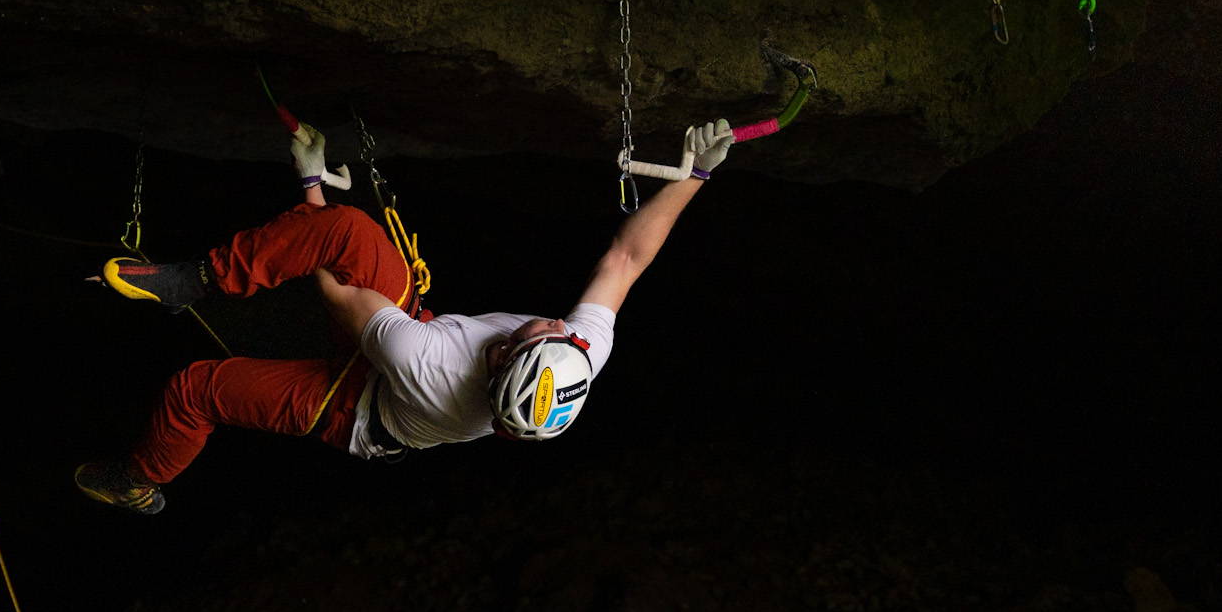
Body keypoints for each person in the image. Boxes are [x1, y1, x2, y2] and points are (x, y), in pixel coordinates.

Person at [75, 118, 735, 514]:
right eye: (559, 333)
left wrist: (310, 191)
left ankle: (138, 482)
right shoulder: (575, 356)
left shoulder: (434, 367)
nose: (553, 322)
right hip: (407, 327)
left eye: (537, 333)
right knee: (350, 229)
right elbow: (627, 256)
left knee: (194, 389)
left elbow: (334, 291)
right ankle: (194, 280)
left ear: (503, 361)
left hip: (357, 406)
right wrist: (698, 175)